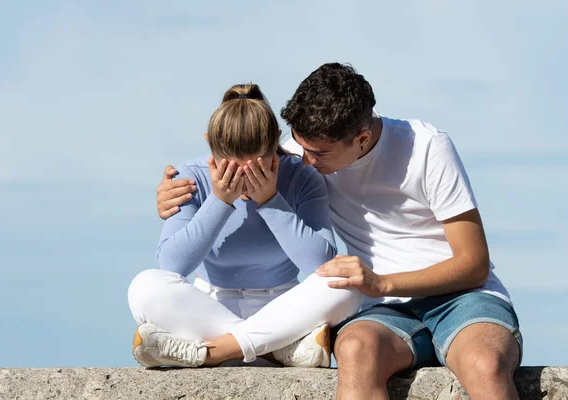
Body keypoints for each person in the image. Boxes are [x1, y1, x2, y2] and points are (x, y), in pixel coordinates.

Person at [156, 64, 523, 400]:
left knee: (483, 365)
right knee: (354, 351)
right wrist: (174, 195)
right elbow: (237, 162)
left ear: (361, 140)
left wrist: (382, 283)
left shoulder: (427, 147)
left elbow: (474, 263)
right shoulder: (298, 157)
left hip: (458, 296)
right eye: (298, 145)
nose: (304, 160)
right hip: (383, 311)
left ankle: (224, 349)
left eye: (317, 153)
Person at [128, 83, 362, 369]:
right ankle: (277, 349)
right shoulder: (191, 175)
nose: (242, 175)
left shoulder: (301, 176)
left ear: (276, 142)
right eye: (230, 164)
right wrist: (219, 200)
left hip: (282, 306)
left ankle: (218, 349)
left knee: (345, 284)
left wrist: (270, 200)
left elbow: (320, 262)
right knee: (145, 286)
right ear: (209, 144)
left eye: (256, 163)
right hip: (207, 308)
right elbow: (172, 263)